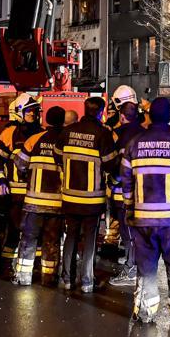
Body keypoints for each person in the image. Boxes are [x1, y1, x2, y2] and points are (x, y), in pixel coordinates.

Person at [122, 97, 170, 325]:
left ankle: (145, 312)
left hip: (142, 219)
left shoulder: (134, 143)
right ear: (169, 118)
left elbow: (126, 182)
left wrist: (129, 209)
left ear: (148, 117)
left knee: (146, 267)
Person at [55, 96, 119, 293]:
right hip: (92, 199)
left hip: (69, 197)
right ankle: (87, 282)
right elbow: (111, 164)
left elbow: (57, 156)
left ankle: (66, 278)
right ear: (100, 112)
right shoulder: (102, 134)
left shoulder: (67, 132)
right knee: (90, 241)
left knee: (71, 237)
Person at [13, 106, 67, 286]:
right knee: (51, 240)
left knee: (29, 239)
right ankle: (49, 277)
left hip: (34, 202)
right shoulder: (67, 140)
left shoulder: (34, 139)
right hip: (57, 203)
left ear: (47, 120)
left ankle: (23, 277)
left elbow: (20, 164)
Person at [0, 94, 43, 278]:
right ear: (20, 112)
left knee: (36, 232)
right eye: (30, 111)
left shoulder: (41, 133)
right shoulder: (10, 133)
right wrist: (0, 181)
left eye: (36, 111)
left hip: (36, 192)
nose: (34, 114)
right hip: (15, 192)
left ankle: (33, 266)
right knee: (14, 229)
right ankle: (7, 265)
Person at [108, 98, 147, 286]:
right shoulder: (145, 134)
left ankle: (131, 269)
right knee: (136, 231)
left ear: (122, 117)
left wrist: (113, 180)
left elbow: (116, 164)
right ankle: (136, 264)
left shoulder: (118, 135)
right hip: (142, 193)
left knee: (128, 232)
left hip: (122, 193)